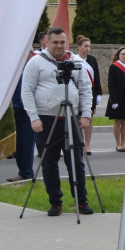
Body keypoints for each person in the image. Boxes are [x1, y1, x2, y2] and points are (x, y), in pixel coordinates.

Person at [21, 27, 94, 216]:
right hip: (46, 120)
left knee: (76, 162)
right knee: (48, 163)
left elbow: (86, 89)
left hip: (71, 118)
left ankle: (81, 201)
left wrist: (86, 114)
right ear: (47, 42)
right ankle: (55, 203)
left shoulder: (76, 62)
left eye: (62, 42)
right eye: (55, 42)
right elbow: (26, 90)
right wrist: (34, 117)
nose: (59, 46)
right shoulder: (36, 62)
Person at [7, 50, 36, 183]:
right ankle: (23, 172)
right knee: (18, 146)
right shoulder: (15, 70)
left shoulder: (30, 70)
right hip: (15, 112)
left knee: (26, 145)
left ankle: (26, 173)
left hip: (26, 113)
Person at [74, 36, 103, 155]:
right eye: (85, 46)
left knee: (89, 119)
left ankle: (87, 145)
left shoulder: (92, 59)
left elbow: (96, 77)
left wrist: (99, 93)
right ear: (79, 47)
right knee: (77, 119)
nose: (88, 48)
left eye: (89, 46)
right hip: (77, 93)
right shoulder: (74, 59)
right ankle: (77, 144)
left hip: (91, 93)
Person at [105, 48, 125, 153]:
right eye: (123, 54)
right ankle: (118, 144)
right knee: (117, 121)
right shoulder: (114, 67)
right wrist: (114, 100)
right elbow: (111, 84)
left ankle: (123, 143)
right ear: (118, 55)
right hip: (117, 98)